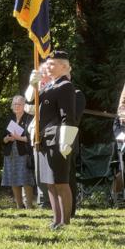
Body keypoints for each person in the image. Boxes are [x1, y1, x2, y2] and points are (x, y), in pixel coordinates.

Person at [27, 50, 78, 230]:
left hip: (57, 138)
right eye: (47, 64)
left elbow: (68, 116)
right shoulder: (49, 86)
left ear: (64, 67)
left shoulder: (65, 86)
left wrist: (66, 141)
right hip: (44, 138)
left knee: (61, 182)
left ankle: (65, 221)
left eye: (52, 64)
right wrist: (33, 86)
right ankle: (56, 220)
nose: (48, 67)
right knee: (50, 183)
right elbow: (30, 107)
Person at [25, 62, 52, 209]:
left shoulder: (56, 86)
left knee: (51, 168)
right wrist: (33, 84)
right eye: (41, 73)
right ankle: (43, 200)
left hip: (52, 132)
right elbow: (29, 99)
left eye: (45, 72)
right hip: (37, 132)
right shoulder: (38, 87)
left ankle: (51, 200)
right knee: (39, 169)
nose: (43, 75)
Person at [1, 95, 35, 209]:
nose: (16, 106)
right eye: (15, 104)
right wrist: (7, 138)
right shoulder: (8, 118)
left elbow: (31, 138)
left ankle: (29, 205)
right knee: (13, 178)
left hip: (24, 152)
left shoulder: (29, 118)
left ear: (24, 106)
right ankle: (19, 205)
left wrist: (18, 137)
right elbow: (1, 137)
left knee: (26, 179)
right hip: (10, 152)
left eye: (19, 104)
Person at [66, 73, 86, 217]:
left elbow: (74, 120)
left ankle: (71, 210)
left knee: (68, 176)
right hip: (52, 140)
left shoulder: (77, 94)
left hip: (69, 140)